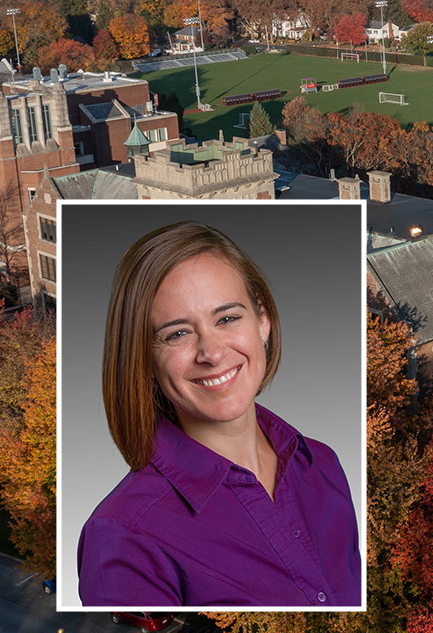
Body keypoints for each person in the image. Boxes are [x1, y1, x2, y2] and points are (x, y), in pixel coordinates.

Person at [78, 221, 362, 607]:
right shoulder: (125, 535)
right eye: (177, 333)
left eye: (227, 318)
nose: (211, 353)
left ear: (263, 320)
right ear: (143, 358)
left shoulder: (322, 465)